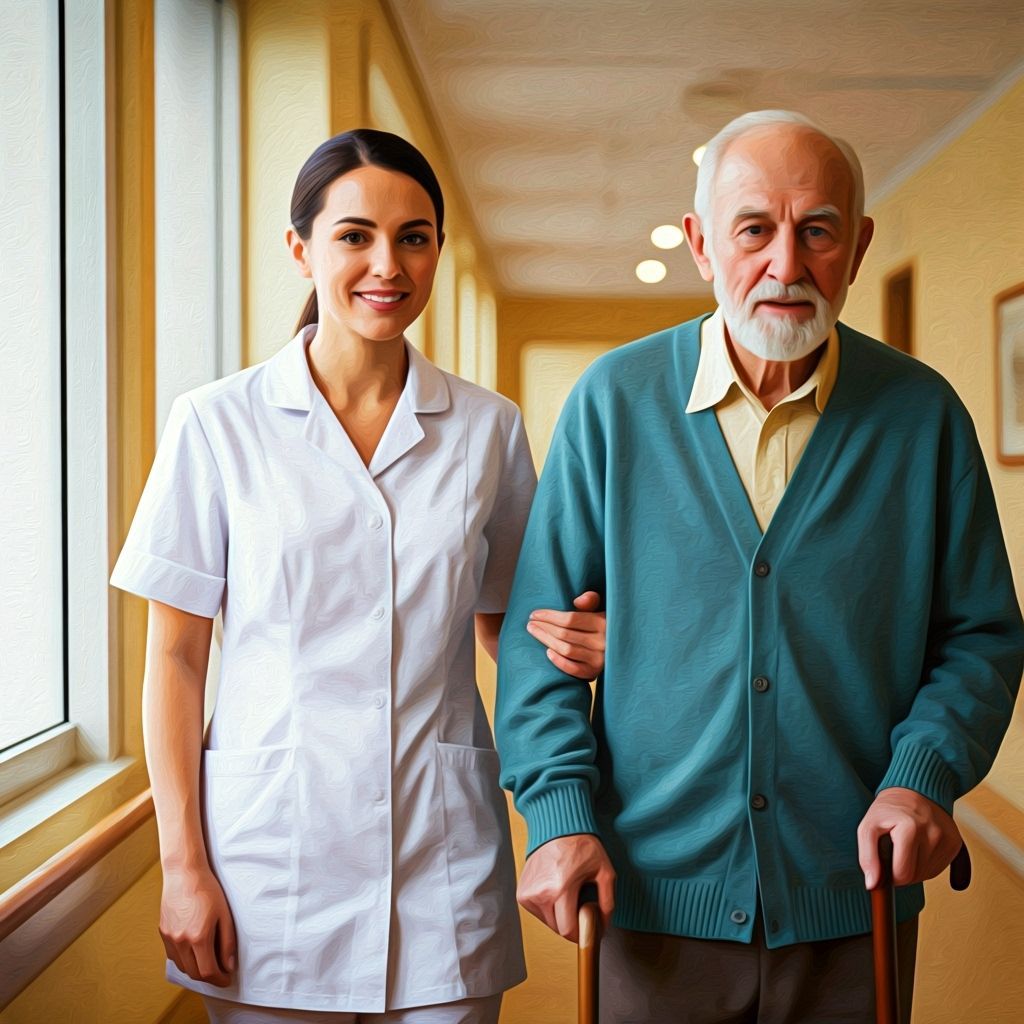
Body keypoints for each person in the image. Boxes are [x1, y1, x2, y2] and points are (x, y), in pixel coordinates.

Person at [494, 109, 1024, 1023]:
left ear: (856, 249)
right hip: (648, 906)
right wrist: (559, 819)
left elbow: (979, 634)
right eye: (754, 229)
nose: (786, 264)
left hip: (853, 908)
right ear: (702, 245)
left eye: (817, 229)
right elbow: (538, 650)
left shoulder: (924, 418)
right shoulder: (612, 407)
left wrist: (922, 773)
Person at [110, 129, 607, 1024]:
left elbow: (507, 626)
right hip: (270, 868)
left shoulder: (487, 429)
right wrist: (182, 867)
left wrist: (587, 643)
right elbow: (176, 662)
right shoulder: (217, 425)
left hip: (439, 861)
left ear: (438, 252)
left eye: (414, 236)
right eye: (354, 236)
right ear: (300, 248)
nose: (388, 263)